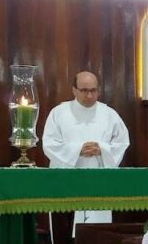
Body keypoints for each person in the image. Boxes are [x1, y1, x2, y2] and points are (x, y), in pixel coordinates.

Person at [42, 71, 130, 227]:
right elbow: (49, 143)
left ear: (99, 90)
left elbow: (122, 142)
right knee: (64, 233)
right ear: (74, 90)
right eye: (84, 90)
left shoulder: (109, 114)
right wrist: (78, 150)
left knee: (96, 233)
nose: (89, 95)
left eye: (93, 90)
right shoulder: (59, 113)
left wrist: (102, 149)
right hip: (65, 182)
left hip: (98, 181)